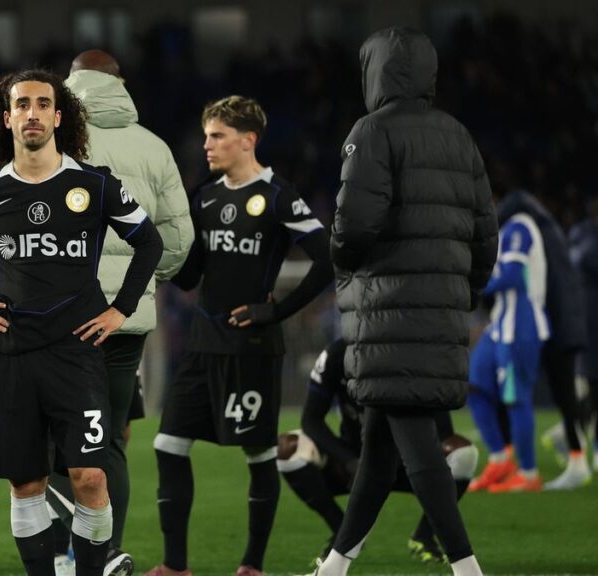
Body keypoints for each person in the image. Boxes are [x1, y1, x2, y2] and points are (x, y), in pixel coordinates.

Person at [0, 68, 162, 576]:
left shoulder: (93, 184)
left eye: (42, 104)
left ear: (58, 117)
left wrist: (120, 308)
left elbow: (149, 242)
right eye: (21, 105)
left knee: (90, 477)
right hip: (13, 355)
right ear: (6, 119)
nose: (32, 113)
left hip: (76, 354)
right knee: (26, 484)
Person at [319, 27, 497, 576]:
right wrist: (463, 293)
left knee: (419, 448)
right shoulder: (458, 135)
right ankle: (334, 567)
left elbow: (354, 225)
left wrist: (341, 257)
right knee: (378, 452)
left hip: (388, 312)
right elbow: (485, 231)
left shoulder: (372, 131)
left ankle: (467, 568)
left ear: (374, 72)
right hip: (438, 311)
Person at [148, 95, 333, 576]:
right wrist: (159, 247)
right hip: (201, 344)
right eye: (206, 136)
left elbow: (326, 259)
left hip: (251, 348)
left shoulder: (278, 195)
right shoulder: (205, 196)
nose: (207, 145)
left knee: (258, 453)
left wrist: (276, 312)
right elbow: (191, 276)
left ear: (248, 140)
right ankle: (175, 565)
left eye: (217, 136)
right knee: (168, 445)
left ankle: (251, 565)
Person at [43, 49, 194, 576]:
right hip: (126, 320)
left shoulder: (53, 139)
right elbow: (179, 238)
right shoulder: (154, 146)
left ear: (71, 84)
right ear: (120, 84)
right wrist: (144, 281)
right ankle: (105, 554)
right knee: (107, 442)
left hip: (60, 316)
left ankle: (66, 555)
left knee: (54, 437)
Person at [277, 339, 479, 565]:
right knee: (287, 448)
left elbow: (443, 431)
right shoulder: (336, 354)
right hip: (355, 461)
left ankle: (425, 536)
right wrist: (349, 460)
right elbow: (311, 420)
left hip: (406, 464)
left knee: (463, 454)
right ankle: (342, 533)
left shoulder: (415, 356)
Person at [494, 190, 591, 490]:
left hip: (554, 326)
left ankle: (574, 459)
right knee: (564, 395)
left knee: (551, 394)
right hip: (566, 323)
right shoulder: (551, 231)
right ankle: (574, 453)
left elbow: (541, 287)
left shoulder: (531, 232)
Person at [467, 209, 550, 492]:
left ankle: (528, 473)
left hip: (521, 326)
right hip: (500, 323)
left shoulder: (519, 226)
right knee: (473, 385)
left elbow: (513, 276)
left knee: (516, 398)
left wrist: (475, 288)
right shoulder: (501, 233)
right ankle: (500, 459)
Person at [570, 201, 598, 470]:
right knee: (590, 387)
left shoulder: (579, 238)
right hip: (589, 326)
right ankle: (575, 437)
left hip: (582, 323)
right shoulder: (589, 244)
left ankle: (573, 434)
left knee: (588, 387)